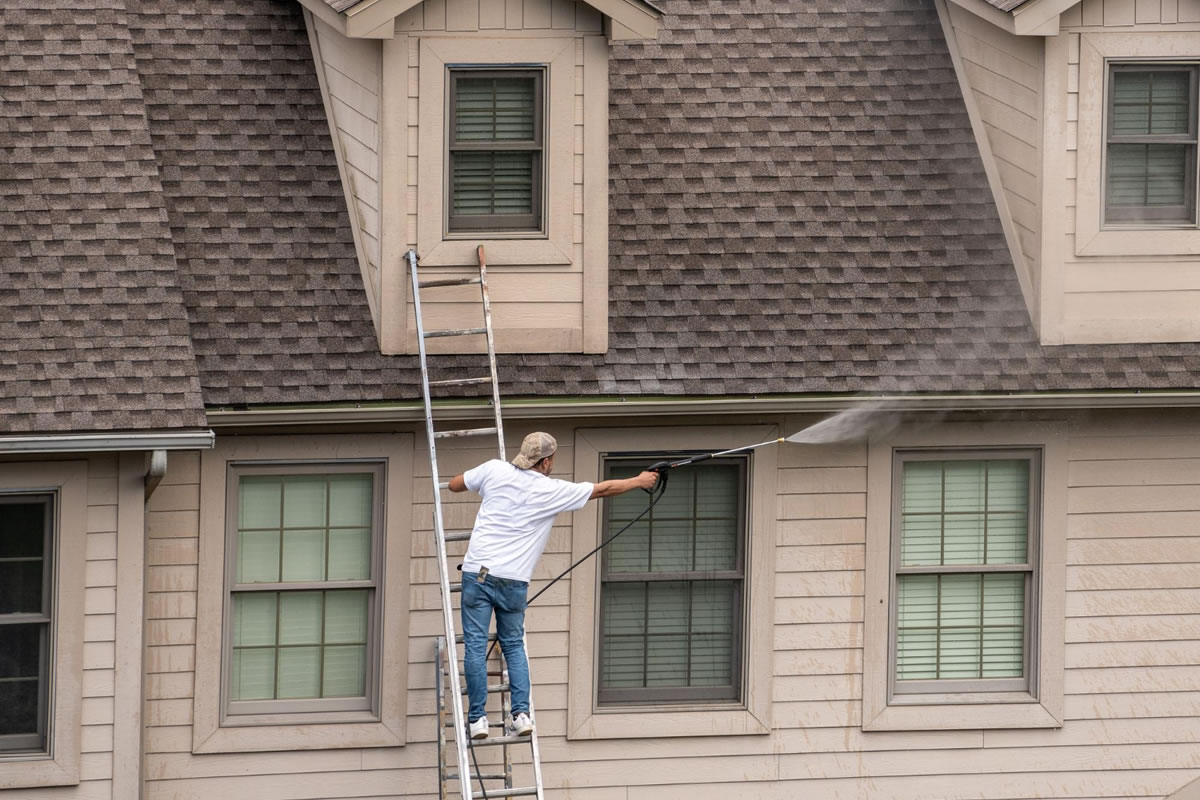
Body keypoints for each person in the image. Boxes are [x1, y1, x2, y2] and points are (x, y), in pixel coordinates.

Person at [448, 431, 658, 739]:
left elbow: (455, 485)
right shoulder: (552, 490)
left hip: (477, 572)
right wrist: (640, 481)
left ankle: (477, 720)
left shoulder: (494, 469)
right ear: (547, 461)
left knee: (476, 648)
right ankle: (520, 715)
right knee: (513, 646)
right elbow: (603, 489)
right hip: (513, 581)